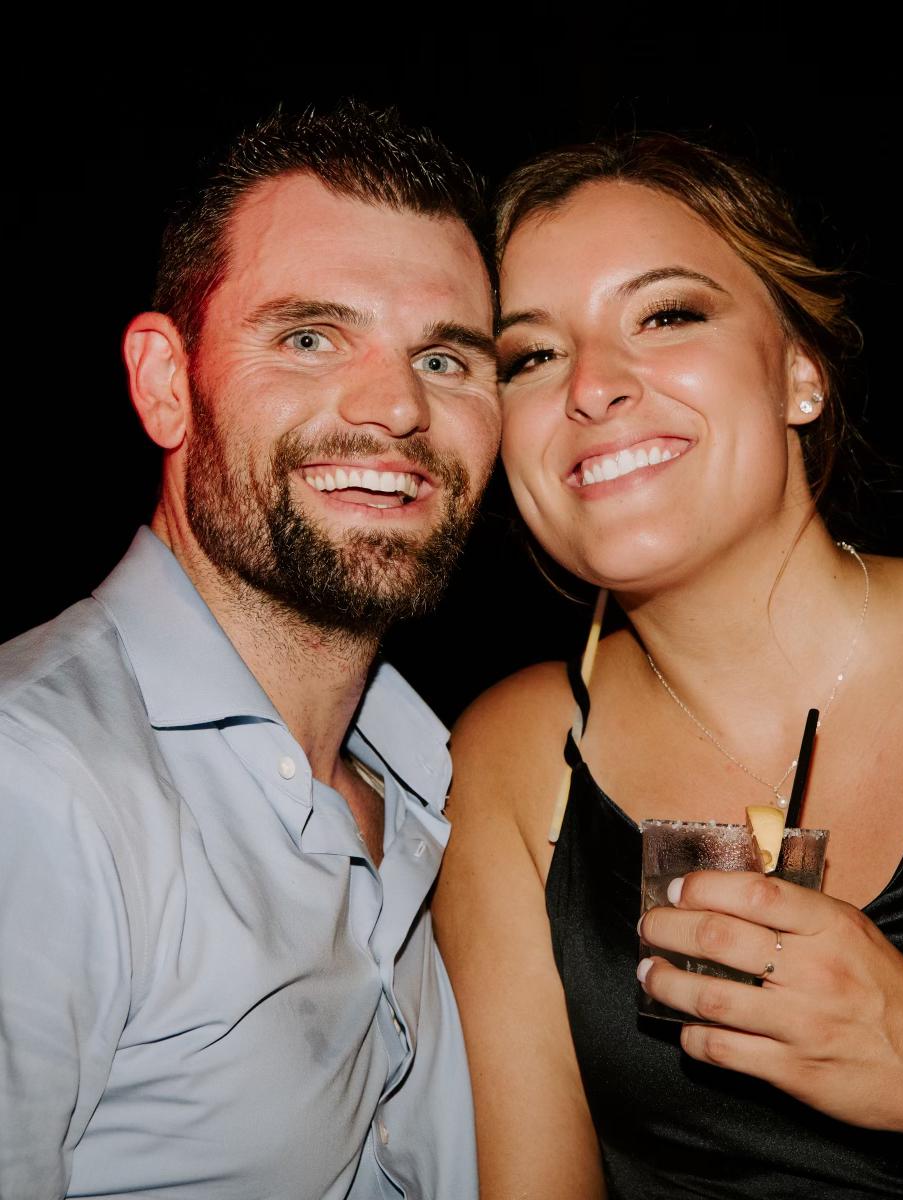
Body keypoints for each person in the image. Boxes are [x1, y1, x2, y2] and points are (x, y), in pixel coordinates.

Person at [435, 134, 903, 1199]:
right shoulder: (512, 763)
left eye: (667, 315)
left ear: (800, 371)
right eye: (530, 356)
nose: (593, 387)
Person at [0, 104, 499, 1199]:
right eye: (309, 337)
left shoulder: (431, 775)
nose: (398, 407)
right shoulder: (33, 783)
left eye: (446, 357)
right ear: (165, 383)